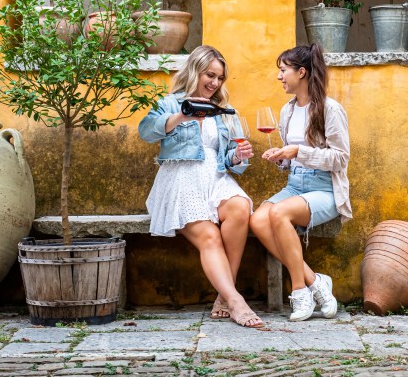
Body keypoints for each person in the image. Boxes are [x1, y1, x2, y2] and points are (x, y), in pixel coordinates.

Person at [138, 45, 262, 328]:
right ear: (195, 71)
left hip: (215, 179)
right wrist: (182, 116)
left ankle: (224, 295)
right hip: (180, 179)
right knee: (210, 236)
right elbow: (146, 131)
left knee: (240, 208)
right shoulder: (170, 103)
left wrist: (238, 156)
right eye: (210, 75)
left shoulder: (224, 111)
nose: (215, 83)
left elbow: (229, 159)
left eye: (220, 78)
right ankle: (235, 301)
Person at [251, 43, 350, 321]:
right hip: (295, 185)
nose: (279, 76)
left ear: (302, 72)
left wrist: (298, 152)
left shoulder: (330, 109)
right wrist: (281, 158)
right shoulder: (288, 111)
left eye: (283, 70)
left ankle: (299, 291)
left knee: (278, 213)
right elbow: (291, 159)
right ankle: (316, 281)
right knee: (257, 220)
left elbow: (341, 158)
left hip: (324, 188)